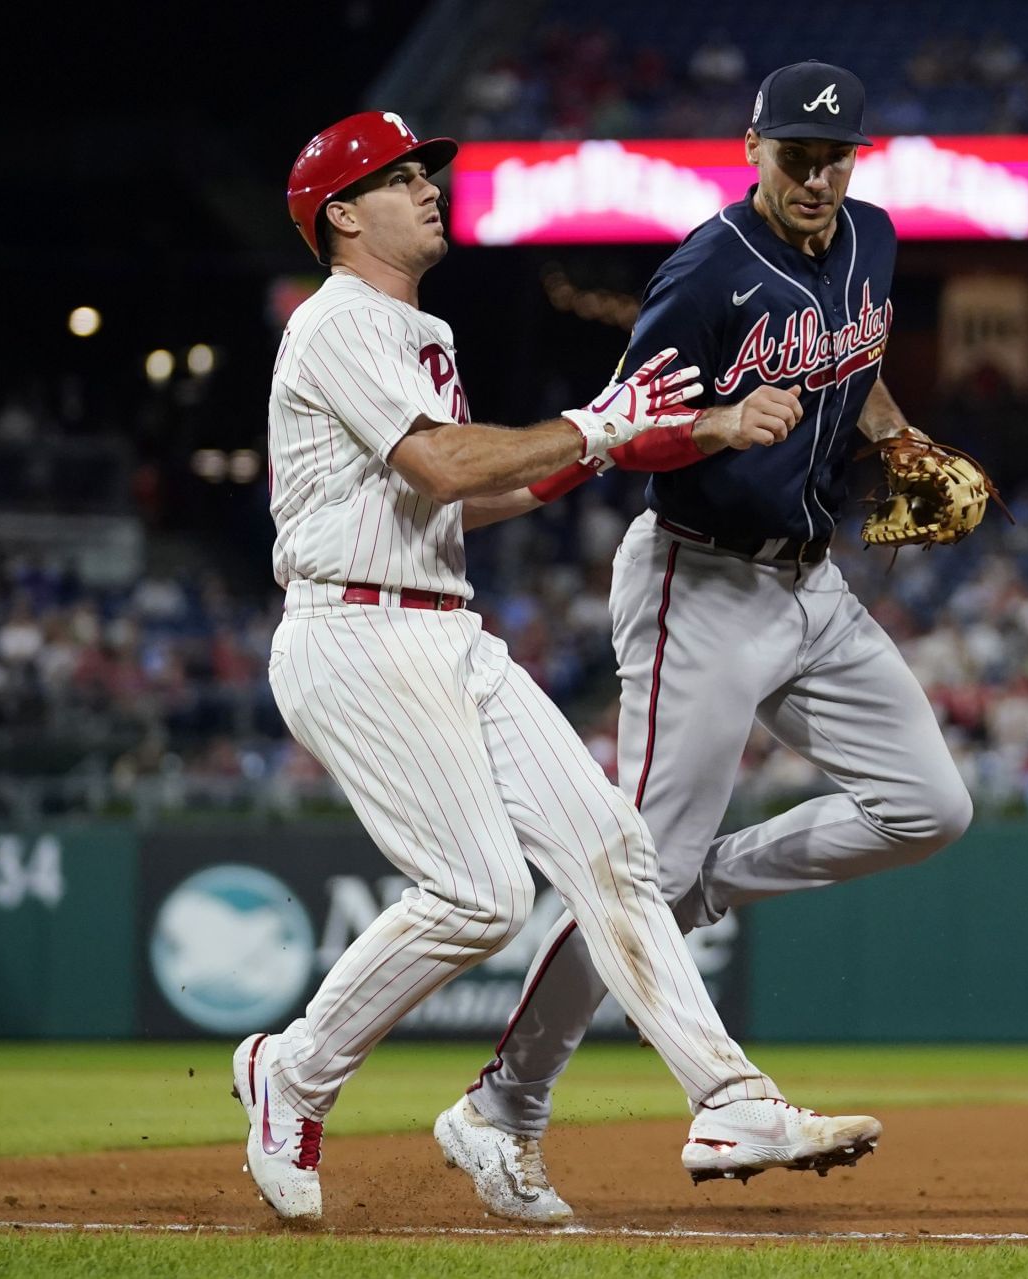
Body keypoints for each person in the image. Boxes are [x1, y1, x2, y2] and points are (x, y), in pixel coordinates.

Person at [233, 109, 879, 1223]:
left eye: (431, 169)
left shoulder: (414, 328)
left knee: (614, 846)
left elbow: (472, 497)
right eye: (402, 175)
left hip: (441, 623)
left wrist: (607, 443)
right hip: (354, 629)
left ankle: (730, 1098)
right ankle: (292, 1072)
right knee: (479, 895)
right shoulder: (337, 321)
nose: (432, 185)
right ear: (341, 213)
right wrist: (593, 422)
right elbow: (439, 463)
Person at [446, 61, 976, 1219]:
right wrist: (719, 423)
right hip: (701, 579)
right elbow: (616, 434)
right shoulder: (705, 273)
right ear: (753, 148)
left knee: (930, 806)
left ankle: (701, 884)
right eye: (796, 154)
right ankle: (501, 1104)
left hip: (813, 583)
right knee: (635, 860)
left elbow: (860, 366)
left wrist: (897, 439)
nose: (817, 176)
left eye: (836, 156)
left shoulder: (872, 240)